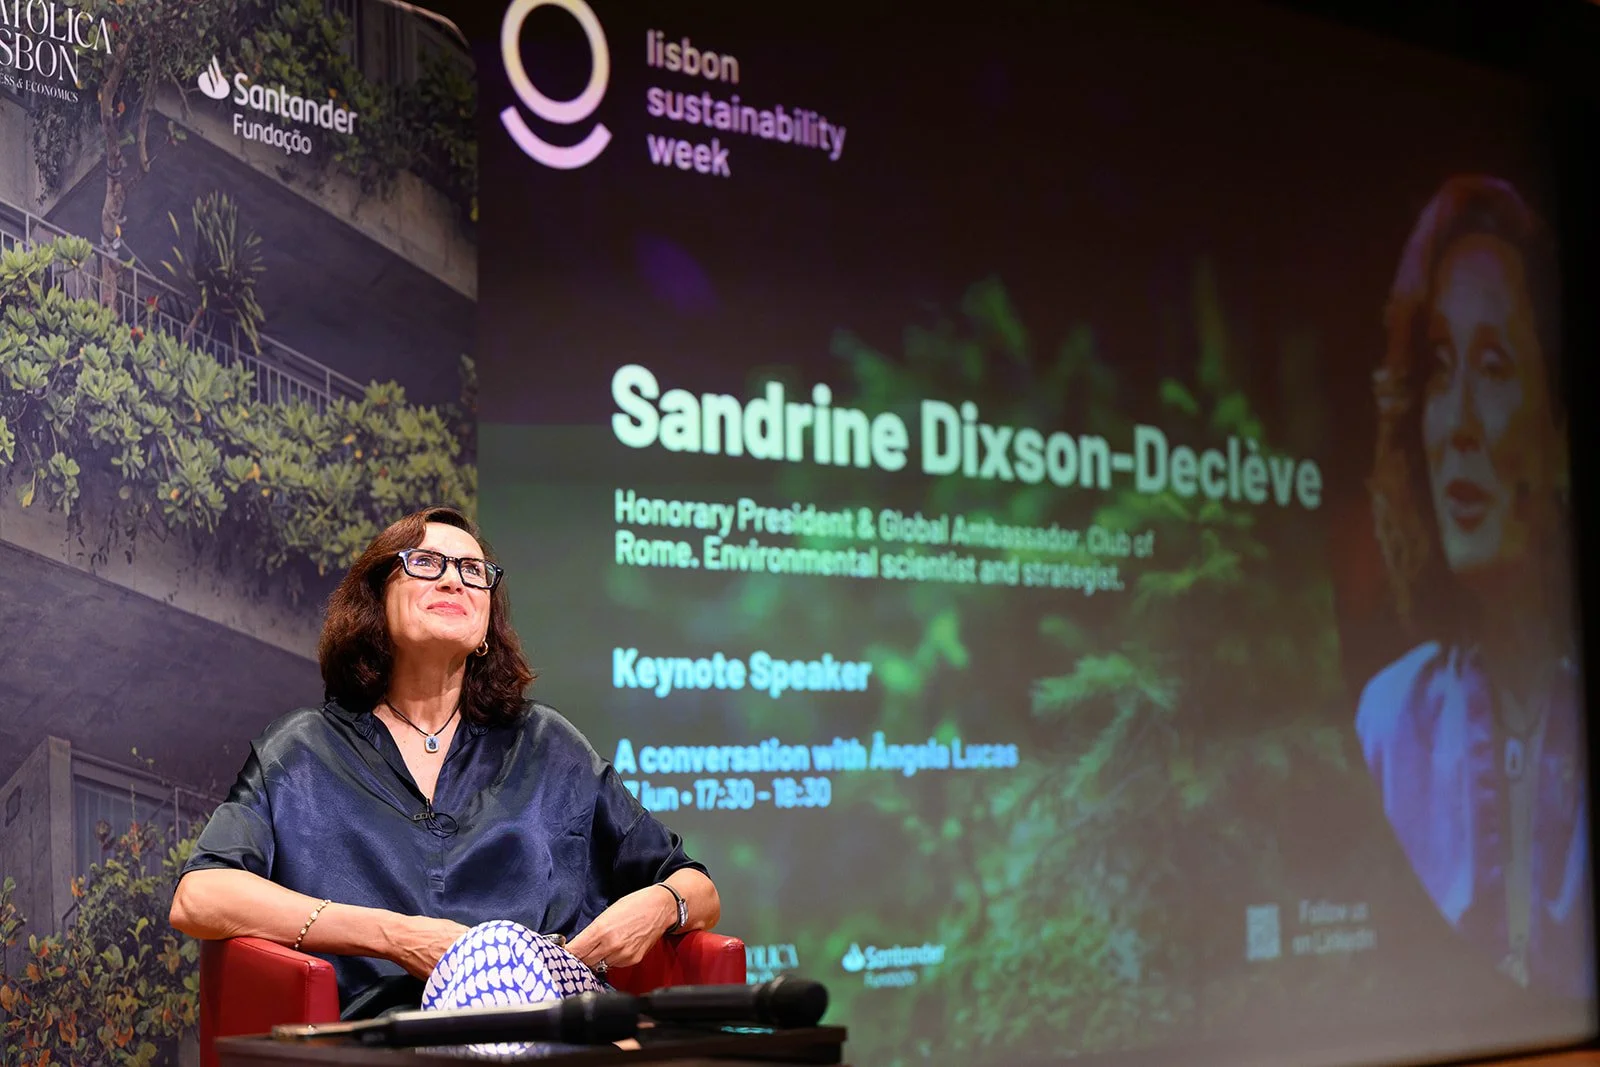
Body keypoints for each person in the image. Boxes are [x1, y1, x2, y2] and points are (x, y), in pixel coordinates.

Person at [170, 505, 720, 1015]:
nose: (454, 578)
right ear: (375, 602)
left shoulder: (548, 744)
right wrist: (395, 936)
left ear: (485, 624)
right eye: (426, 562)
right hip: (384, 1038)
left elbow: (696, 888)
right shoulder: (300, 750)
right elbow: (201, 896)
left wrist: (658, 906)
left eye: (473, 570)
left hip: (546, 1027)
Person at [1357, 175, 1587, 997]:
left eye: (1492, 367)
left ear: (1562, 429)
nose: (1453, 420)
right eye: (1439, 367)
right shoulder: (1386, 725)